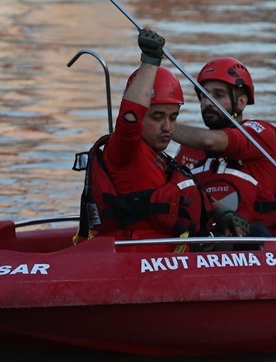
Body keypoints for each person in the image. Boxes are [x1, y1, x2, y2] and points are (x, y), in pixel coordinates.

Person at [75, 28, 209, 251]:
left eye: (173, 117)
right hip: (135, 259)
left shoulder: (163, 159)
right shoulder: (124, 152)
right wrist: (150, 61)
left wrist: (223, 213)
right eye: (157, 117)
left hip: (170, 256)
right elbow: (130, 118)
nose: (167, 127)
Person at [173, 57, 276, 238]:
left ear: (241, 102)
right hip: (207, 248)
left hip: (262, 250)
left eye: (218, 95)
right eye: (204, 95)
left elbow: (212, 141)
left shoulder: (261, 134)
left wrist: (157, 125)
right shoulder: (188, 149)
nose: (208, 102)